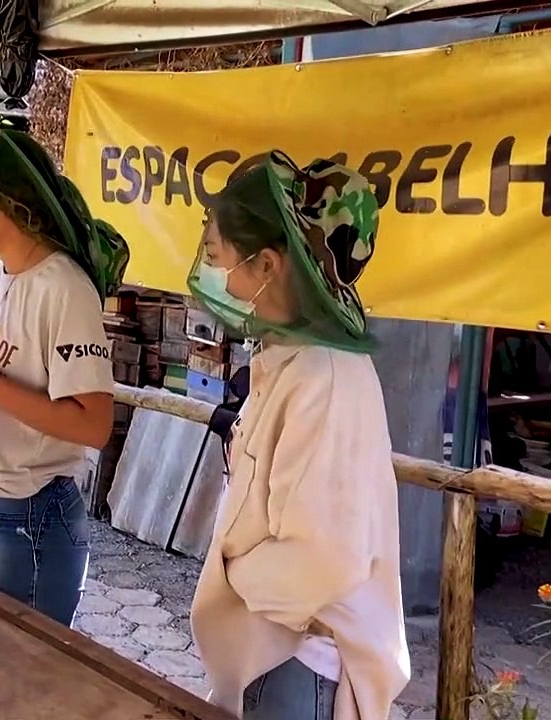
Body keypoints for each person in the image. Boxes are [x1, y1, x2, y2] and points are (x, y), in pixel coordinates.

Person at [186, 150, 410, 720]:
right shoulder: (291, 358)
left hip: (297, 667)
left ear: (266, 265)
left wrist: (233, 572)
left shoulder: (324, 376)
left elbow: (324, 559)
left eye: (218, 257)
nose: (214, 273)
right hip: (270, 656)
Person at [0, 129, 131, 626]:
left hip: (26, 517)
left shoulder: (63, 288)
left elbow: (93, 424)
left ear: (9, 199)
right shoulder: (7, 272)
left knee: (16, 666)